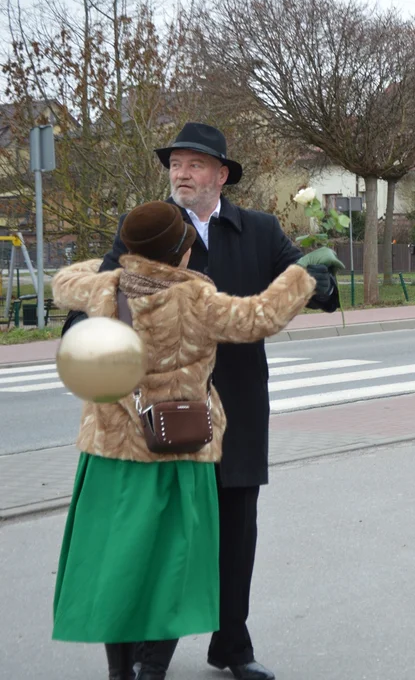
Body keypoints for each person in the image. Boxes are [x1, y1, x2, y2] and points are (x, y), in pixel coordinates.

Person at [62, 122, 340, 680]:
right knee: (161, 539)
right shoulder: (147, 227)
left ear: (220, 175)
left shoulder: (258, 229)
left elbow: (319, 290)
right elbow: (95, 298)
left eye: (193, 164)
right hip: (163, 417)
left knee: (235, 536)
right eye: (175, 164)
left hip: (235, 409)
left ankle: (231, 647)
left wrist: (321, 274)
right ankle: (146, 657)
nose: (181, 173)